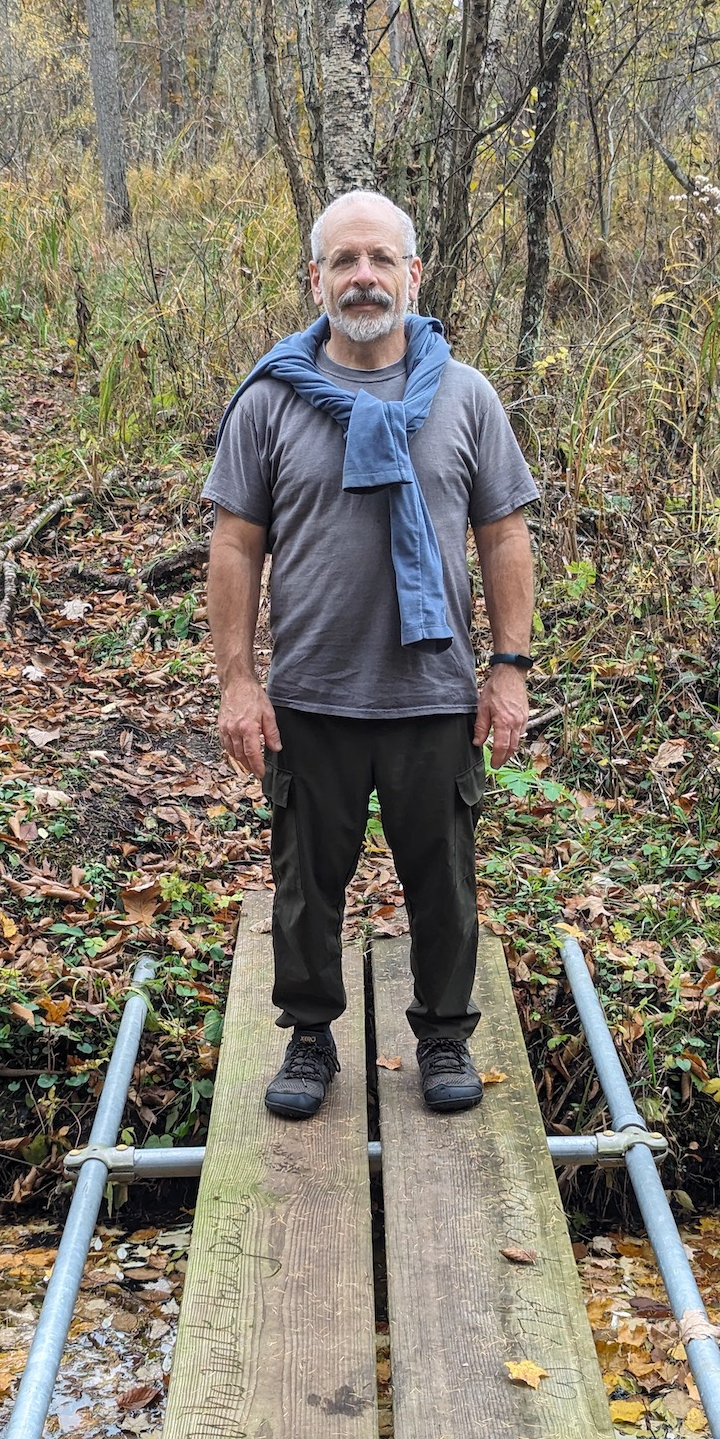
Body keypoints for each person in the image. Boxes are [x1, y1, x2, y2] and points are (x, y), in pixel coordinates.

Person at [203, 189, 538, 1120]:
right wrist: (238, 681)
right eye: (344, 262)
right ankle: (311, 1038)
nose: (362, 277)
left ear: (412, 274)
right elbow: (235, 546)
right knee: (307, 883)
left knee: (444, 878)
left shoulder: (466, 397)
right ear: (316, 279)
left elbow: (505, 536)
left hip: (434, 693)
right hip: (313, 693)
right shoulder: (270, 402)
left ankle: (442, 1037)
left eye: (380, 260)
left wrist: (508, 669)